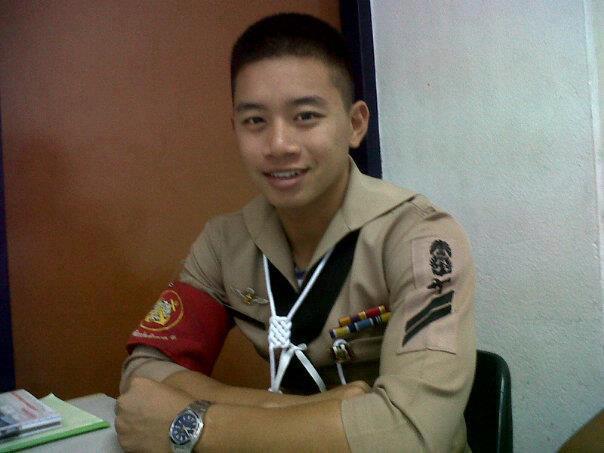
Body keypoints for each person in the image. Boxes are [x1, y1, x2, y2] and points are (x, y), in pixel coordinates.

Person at [116, 13, 476, 453]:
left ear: (356, 124)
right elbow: (146, 371)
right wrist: (291, 410)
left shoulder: (421, 238)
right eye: (255, 121)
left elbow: (412, 434)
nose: (279, 145)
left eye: (305, 116)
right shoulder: (225, 242)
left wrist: (195, 426)